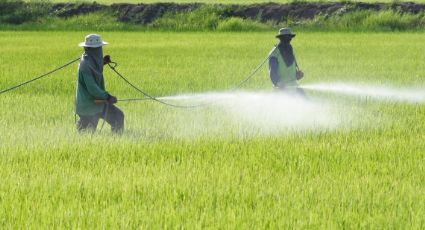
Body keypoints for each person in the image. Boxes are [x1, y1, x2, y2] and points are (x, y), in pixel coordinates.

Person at [75, 34, 124, 134]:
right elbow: (92, 88)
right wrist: (108, 96)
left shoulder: (90, 60)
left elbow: (94, 68)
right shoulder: (85, 65)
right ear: (94, 50)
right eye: (99, 48)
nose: (100, 50)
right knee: (87, 133)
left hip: (97, 103)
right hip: (89, 105)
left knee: (118, 117)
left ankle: (116, 143)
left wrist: (102, 62)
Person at [268, 28, 305, 95]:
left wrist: (298, 74)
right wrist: (279, 84)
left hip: (294, 87)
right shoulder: (274, 54)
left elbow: (291, 68)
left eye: (290, 37)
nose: (289, 39)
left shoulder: (290, 49)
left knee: (306, 102)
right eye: (287, 37)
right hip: (281, 90)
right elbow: (272, 72)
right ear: (281, 38)